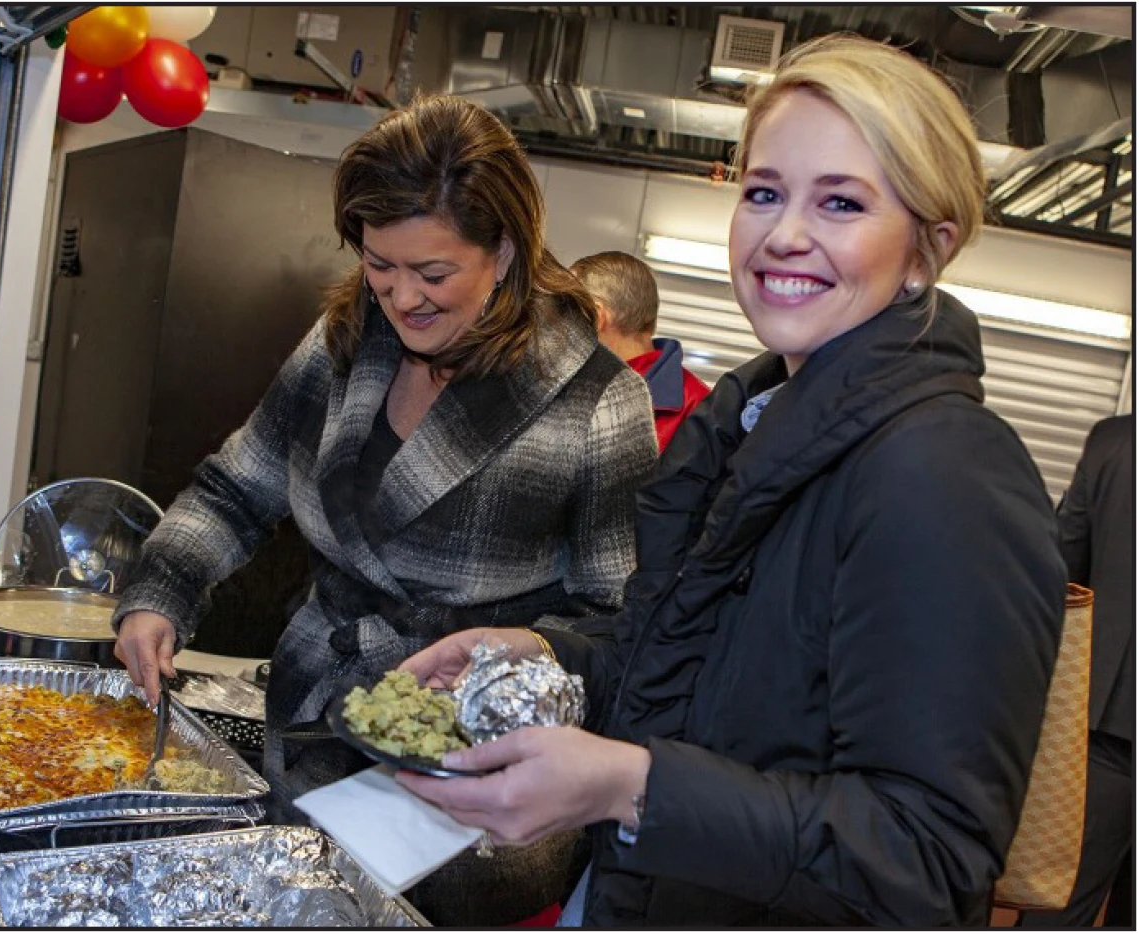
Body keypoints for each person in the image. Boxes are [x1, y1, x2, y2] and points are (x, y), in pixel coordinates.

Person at [396, 35, 1067, 926]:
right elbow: (699, 679)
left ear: (926, 248)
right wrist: (550, 652)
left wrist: (634, 787)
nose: (784, 233)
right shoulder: (745, 428)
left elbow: (927, 853)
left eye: (841, 202)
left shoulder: (943, 476)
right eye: (763, 192)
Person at [112, 94, 659, 925]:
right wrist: (163, 591)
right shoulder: (341, 341)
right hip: (311, 731)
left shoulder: (594, 403)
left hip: (471, 794)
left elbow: (617, 628)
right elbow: (235, 489)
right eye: (379, 264)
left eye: (433, 272)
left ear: (505, 248)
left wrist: (517, 667)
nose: (402, 298)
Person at [1018, 413, 1132, 927]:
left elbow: (1061, 574)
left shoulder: (1117, 441)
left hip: (1104, 721)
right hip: (1105, 721)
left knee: (1057, 910)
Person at [570, 251, 711, 451]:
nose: (561, 329)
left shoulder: (701, 411)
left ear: (597, 317)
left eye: (566, 315)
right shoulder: (572, 390)